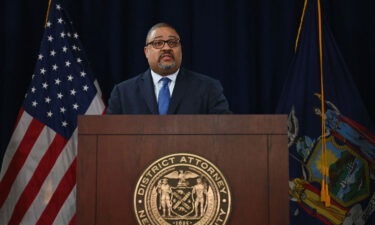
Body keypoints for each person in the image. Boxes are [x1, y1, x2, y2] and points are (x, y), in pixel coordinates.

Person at [106, 22, 231, 114]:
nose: (166, 48)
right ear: (146, 52)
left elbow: (225, 131)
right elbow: (109, 136)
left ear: (180, 49)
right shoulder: (123, 93)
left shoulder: (208, 88)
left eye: (172, 43)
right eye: (158, 43)